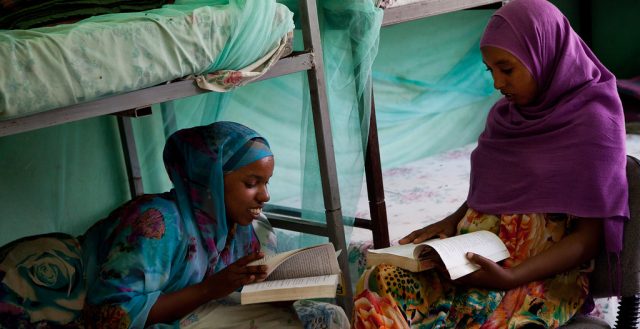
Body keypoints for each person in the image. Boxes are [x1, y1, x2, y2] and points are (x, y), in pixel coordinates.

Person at [352, 0, 629, 328]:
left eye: (507, 68)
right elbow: (496, 188)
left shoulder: (594, 121)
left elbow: (588, 239)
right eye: (491, 70)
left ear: (543, 54)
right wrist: (452, 221)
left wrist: (510, 277)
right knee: (378, 280)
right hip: (472, 265)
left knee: (483, 319)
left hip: (538, 277)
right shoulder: (505, 117)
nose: (497, 83)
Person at [0, 121, 349, 328]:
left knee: (325, 318)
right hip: (38, 290)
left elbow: (237, 290)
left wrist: (277, 287)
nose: (265, 196)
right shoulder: (156, 224)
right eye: (251, 183)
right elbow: (110, 317)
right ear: (212, 179)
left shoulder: (242, 227)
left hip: (186, 310)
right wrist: (213, 288)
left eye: (267, 182)